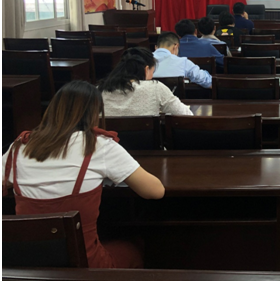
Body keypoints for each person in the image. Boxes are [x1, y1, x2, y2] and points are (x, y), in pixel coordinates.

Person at [2, 81, 165, 268]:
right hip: (85, 265)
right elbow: (155, 191)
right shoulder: (98, 145)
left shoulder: (20, 146)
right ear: (94, 112)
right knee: (134, 246)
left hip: (29, 264)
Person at [99, 47, 193, 116]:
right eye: (153, 72)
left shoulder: (100, 90)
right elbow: (186, 114)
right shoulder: (155, 88)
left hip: (108, 138)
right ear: (146, 69)